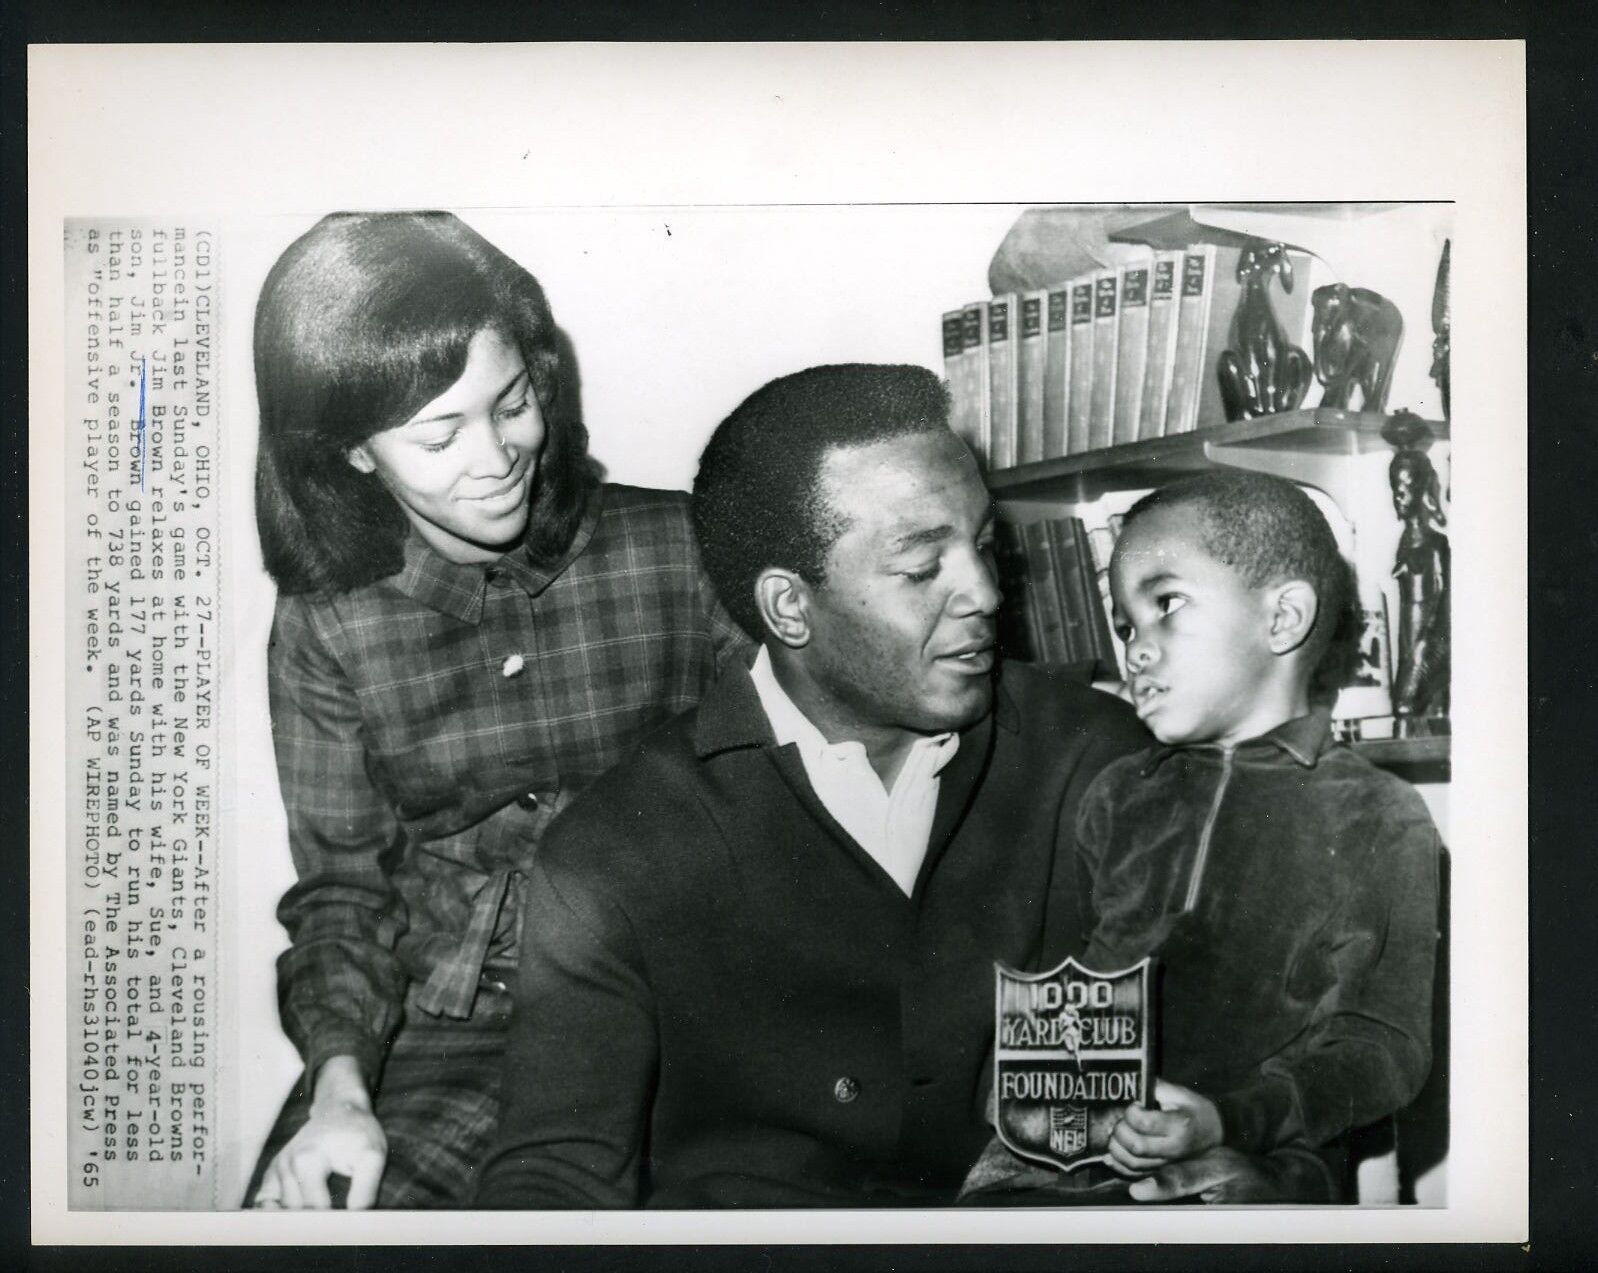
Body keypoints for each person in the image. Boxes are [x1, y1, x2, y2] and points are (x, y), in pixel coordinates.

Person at [475, 363, 1149, 1208]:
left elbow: (1130, 1109)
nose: (982, 593)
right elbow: (554, 1176)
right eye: (919, 567)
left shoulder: (1090, 762)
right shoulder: (615, 853)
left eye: (981, 544)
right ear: (789, 609)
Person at [246, 212, 747, 1209]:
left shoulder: (685, 547)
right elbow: (345, 897)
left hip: (696, 1005)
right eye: (439, 433)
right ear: (350, 454)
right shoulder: (327, 629)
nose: (496, 455)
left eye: (512, 403)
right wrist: (339, 1091)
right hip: (456, 1025)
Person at [964, 469, 1441, 1204]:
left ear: (1282, 618)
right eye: (1125, 625)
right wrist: (1017, 1081)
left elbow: (1383, 1049)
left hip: (1259, 1152)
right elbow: (1061, 986)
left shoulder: (1379, 815)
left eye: (1166, 606)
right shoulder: (1117, 795)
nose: (1136, 649)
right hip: (1070, 1152)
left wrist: (1229, 1120)